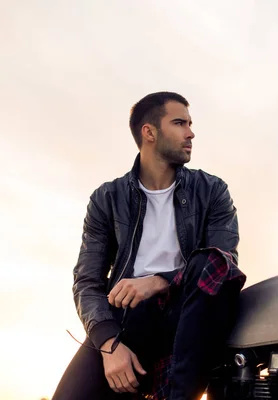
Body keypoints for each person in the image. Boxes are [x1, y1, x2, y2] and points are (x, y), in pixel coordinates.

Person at [52, 91, 245, 400]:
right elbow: (87, 281)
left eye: (190, 123)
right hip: (125, 322)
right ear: (149, 132)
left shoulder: (212, 191)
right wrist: (109, 345)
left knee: (211, 264)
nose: (191, 132)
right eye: (180, 123)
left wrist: (158, 282)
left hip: (188, 312)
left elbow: (222, 265)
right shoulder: (107, 199)